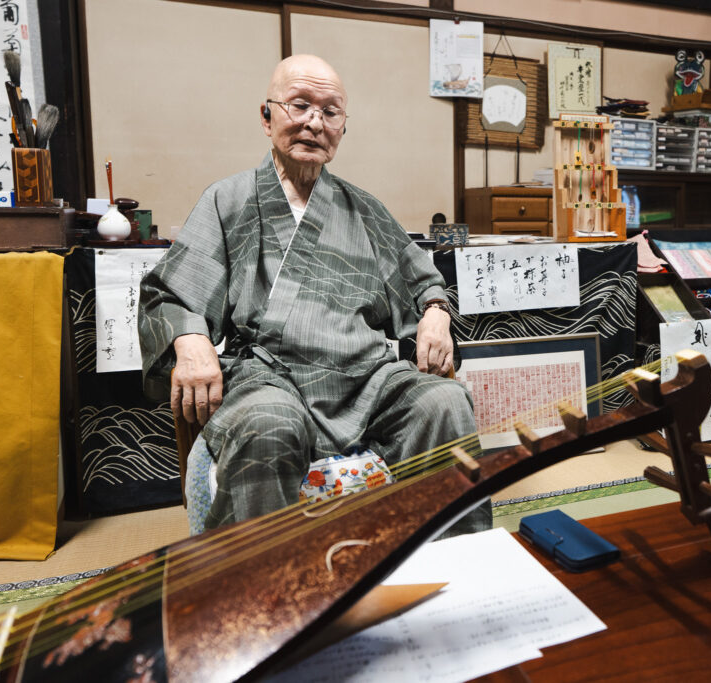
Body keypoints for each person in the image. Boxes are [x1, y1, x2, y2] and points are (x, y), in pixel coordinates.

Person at [138, 55, 488, 534]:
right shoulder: (229, 200)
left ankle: (449, 568)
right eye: (299, 105)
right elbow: (170, 296)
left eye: (330, 112)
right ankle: (263, 598)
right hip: (268, 380)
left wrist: (434, 313)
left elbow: (423, 281)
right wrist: (189, 339)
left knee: (443, 402)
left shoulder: (365, 209)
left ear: (343, 129)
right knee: (267, 426)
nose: (313, 122)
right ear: (267, 117)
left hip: (368, 379)